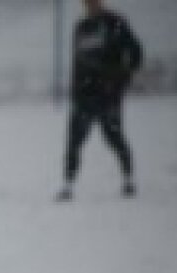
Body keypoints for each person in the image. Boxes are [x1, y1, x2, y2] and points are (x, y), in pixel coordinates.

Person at [57, 0, 143, 201]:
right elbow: (78, 63)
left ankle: (128, 180)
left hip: (107, 96)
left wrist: (121, 80)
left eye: (94, 2)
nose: (90, 6)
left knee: (114, 137)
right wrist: (76, 91)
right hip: (84, 96)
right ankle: (67, 185)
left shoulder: (115, 24)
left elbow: (135, 52)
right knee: (74, 141)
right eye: (87, 3)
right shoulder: (82, 27)